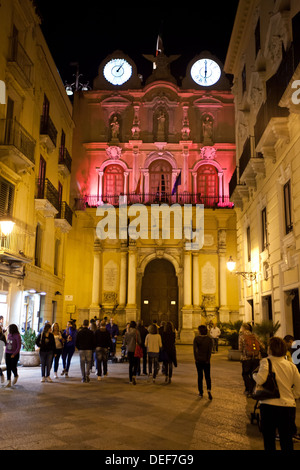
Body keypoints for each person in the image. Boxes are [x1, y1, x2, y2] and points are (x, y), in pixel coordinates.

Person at [253, 336, 300, 451]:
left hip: (269, 406)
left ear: (270, 349)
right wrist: (291, 396)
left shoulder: (266, 361)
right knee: (287, 440)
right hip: (288, 406)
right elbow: (299, 387)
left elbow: (260, 380)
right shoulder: (291, 365)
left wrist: (254, 375)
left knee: (269, 440)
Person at [238, 322, 264, 397]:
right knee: (254, 374)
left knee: (245, 374)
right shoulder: (255, 335)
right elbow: (262, 346)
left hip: (246, 358)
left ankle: (248, 390)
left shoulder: (241, 336)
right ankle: (253, 390)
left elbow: (240, 349)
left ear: (243, 328)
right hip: (256, 358)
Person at [193, 325, 213, 399]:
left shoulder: (196, 339)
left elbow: (195, 350)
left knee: (200, 376)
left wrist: (196, 358)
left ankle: (201, 392)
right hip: (206, 360)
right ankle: (209, 390)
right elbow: (210, 351)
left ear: (199, 331)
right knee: (208, 376)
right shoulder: (209, 339)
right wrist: (208, 359)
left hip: (199, 360)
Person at [124, 321, 142, 385]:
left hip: (129, 350)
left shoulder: (127, 333)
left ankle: (130, 380)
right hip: (135, 350)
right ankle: (134, 375)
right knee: (136, 364)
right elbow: (139, 341)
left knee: (130, 365)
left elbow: (124, 343)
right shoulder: (137, 332)